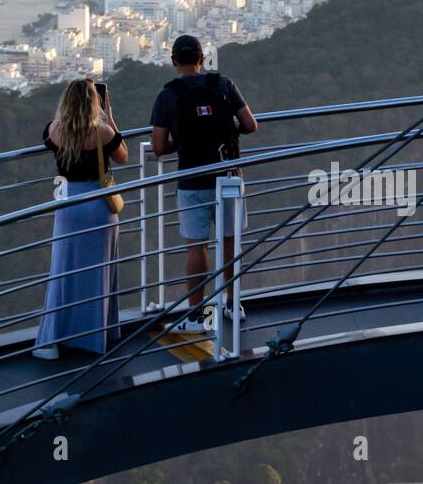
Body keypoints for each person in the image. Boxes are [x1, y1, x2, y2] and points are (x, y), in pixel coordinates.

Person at [150, 37, 257, 335]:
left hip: (192, 179)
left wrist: (183, 143)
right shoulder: (223, 84)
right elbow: (251, 125)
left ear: (173, 61)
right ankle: (233, 304)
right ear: (203, 57)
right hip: (229, 175)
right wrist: (226, 131)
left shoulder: (167, 95)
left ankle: (197, 315)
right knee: (229, 242)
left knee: (196, 247)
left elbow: (158, 147)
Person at [34, 79, 128, 359]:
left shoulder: (56, 129)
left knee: (63, 271)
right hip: (99, 206)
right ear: (94, 103)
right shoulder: (102, 131)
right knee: (99, 270)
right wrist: (109, 117)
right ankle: (96, 336)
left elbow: (48, 141)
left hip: (67, 206)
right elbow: (123, 158)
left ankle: (52, 340)